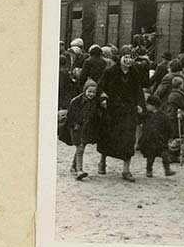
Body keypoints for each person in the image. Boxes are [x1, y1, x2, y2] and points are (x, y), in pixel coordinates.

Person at [95, 46, 146, 181]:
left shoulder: (134, 72)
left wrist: (140, 104)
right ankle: (102, 162)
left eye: (131, 58)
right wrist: (103, 97)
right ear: (121, 58)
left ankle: (126, 170)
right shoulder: (111, 71)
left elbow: (138, 90)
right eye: (126, 57)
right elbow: (99, 86)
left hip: (128, 110)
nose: (128, 61)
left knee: (128, 139)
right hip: (113, 109)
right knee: (108, 136)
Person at [66, 78, 100, 180]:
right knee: (80, 147)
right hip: (76, 127)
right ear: (84, 90)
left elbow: (95, 116)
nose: (91, 94)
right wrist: (75, 124)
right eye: (89, 91)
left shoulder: (95, 102)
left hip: (86, 129)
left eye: (93, 92)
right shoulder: (76, 101)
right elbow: (70, 116)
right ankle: (79, 170)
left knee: (81, 147)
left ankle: (73, 167)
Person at [138, 93, 175, 178]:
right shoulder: (147, 115)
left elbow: (169, 128)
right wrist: (140, 112)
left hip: (160, 140)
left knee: (165, 155)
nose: (146, 106)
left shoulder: (163, 117)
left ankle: (167, 170)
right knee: (150, 157)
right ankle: (149, 170)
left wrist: (170, 137)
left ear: (153, 106)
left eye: (148, 104)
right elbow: (140, 119)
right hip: (150, 141)